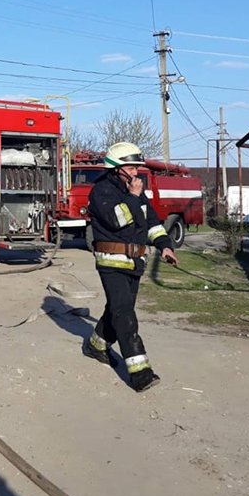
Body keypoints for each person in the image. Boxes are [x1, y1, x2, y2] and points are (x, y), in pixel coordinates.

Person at [82, 142, 178, 392]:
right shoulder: (101, 191)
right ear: (116, 168)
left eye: (137, 167)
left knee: (117, 310)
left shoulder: (135, 190)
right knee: (125, 314)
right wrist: (133, 197)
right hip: (111, 263)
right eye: (132, 167)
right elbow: (117, 220)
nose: (136, 172)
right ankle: (140, 373)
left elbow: (152, 223)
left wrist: (165, 245)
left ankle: (95, 345)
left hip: (135, 263)